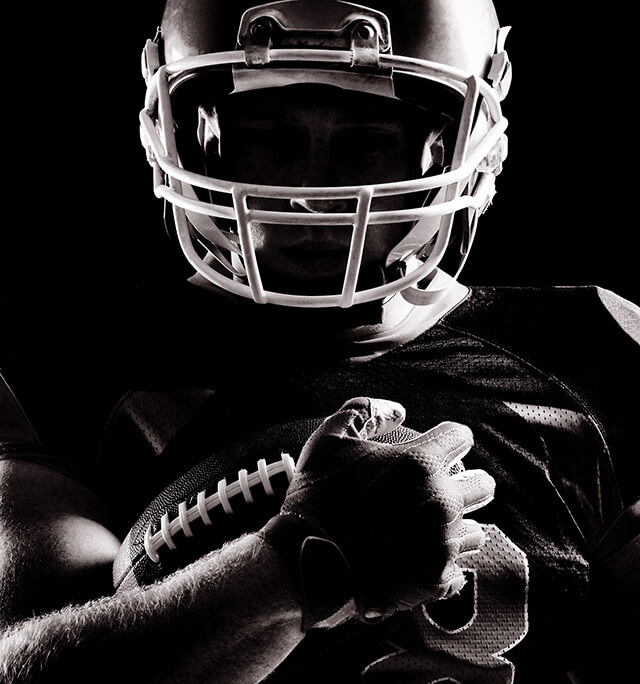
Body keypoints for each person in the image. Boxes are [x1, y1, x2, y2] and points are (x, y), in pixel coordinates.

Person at [0, 0, 638, 682]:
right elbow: (21, 664)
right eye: (267, 139)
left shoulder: (603, 343)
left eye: (368, 141)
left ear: (468, 134)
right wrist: (293, 568)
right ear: (179, 128)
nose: (312, 195)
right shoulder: (67, 359)